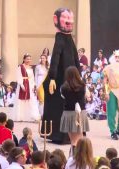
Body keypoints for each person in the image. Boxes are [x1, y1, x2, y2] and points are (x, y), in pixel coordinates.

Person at [42, 8, 81, 144]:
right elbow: (55, 59)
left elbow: (76, 59)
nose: (69, 21)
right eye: (65, 17)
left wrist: (80, 76)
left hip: (70, 79)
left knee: (71, 107)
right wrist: (52, 77)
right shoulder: (60, 38)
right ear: (56, 20)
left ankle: (69, 134)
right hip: (62, 79)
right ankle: (62, 135)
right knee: (64, 106)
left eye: (70, 17)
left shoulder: (69, 38)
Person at [60, 66, 89, 155]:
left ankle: (72, 156)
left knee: (73, 140)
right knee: (81, 138)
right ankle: (81, 157)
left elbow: (63, 97)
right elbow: (87, 96)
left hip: (69, 113)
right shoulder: (83, 85)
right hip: (81, 113)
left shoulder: (64, 87)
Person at [103, 50, 119, 140]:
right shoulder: (108, 68)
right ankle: (113, 131)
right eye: (116, 57)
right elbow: (105, 81)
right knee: (112, 112)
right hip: (112, 91)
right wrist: (106, 92)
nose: (117, 59)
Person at [13, 53, 40, 122]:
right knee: (21, 101)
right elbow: (18, 76)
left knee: (30, 100)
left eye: (30, 59)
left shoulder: (31, 68)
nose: (29, 60)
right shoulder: (20, 67)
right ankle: (20, 116)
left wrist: (33, 85)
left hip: (29, 86)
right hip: (22, 84)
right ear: (24, 59)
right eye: (27, 59)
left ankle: (31, 116)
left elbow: (32, 78)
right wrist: (22, 85)